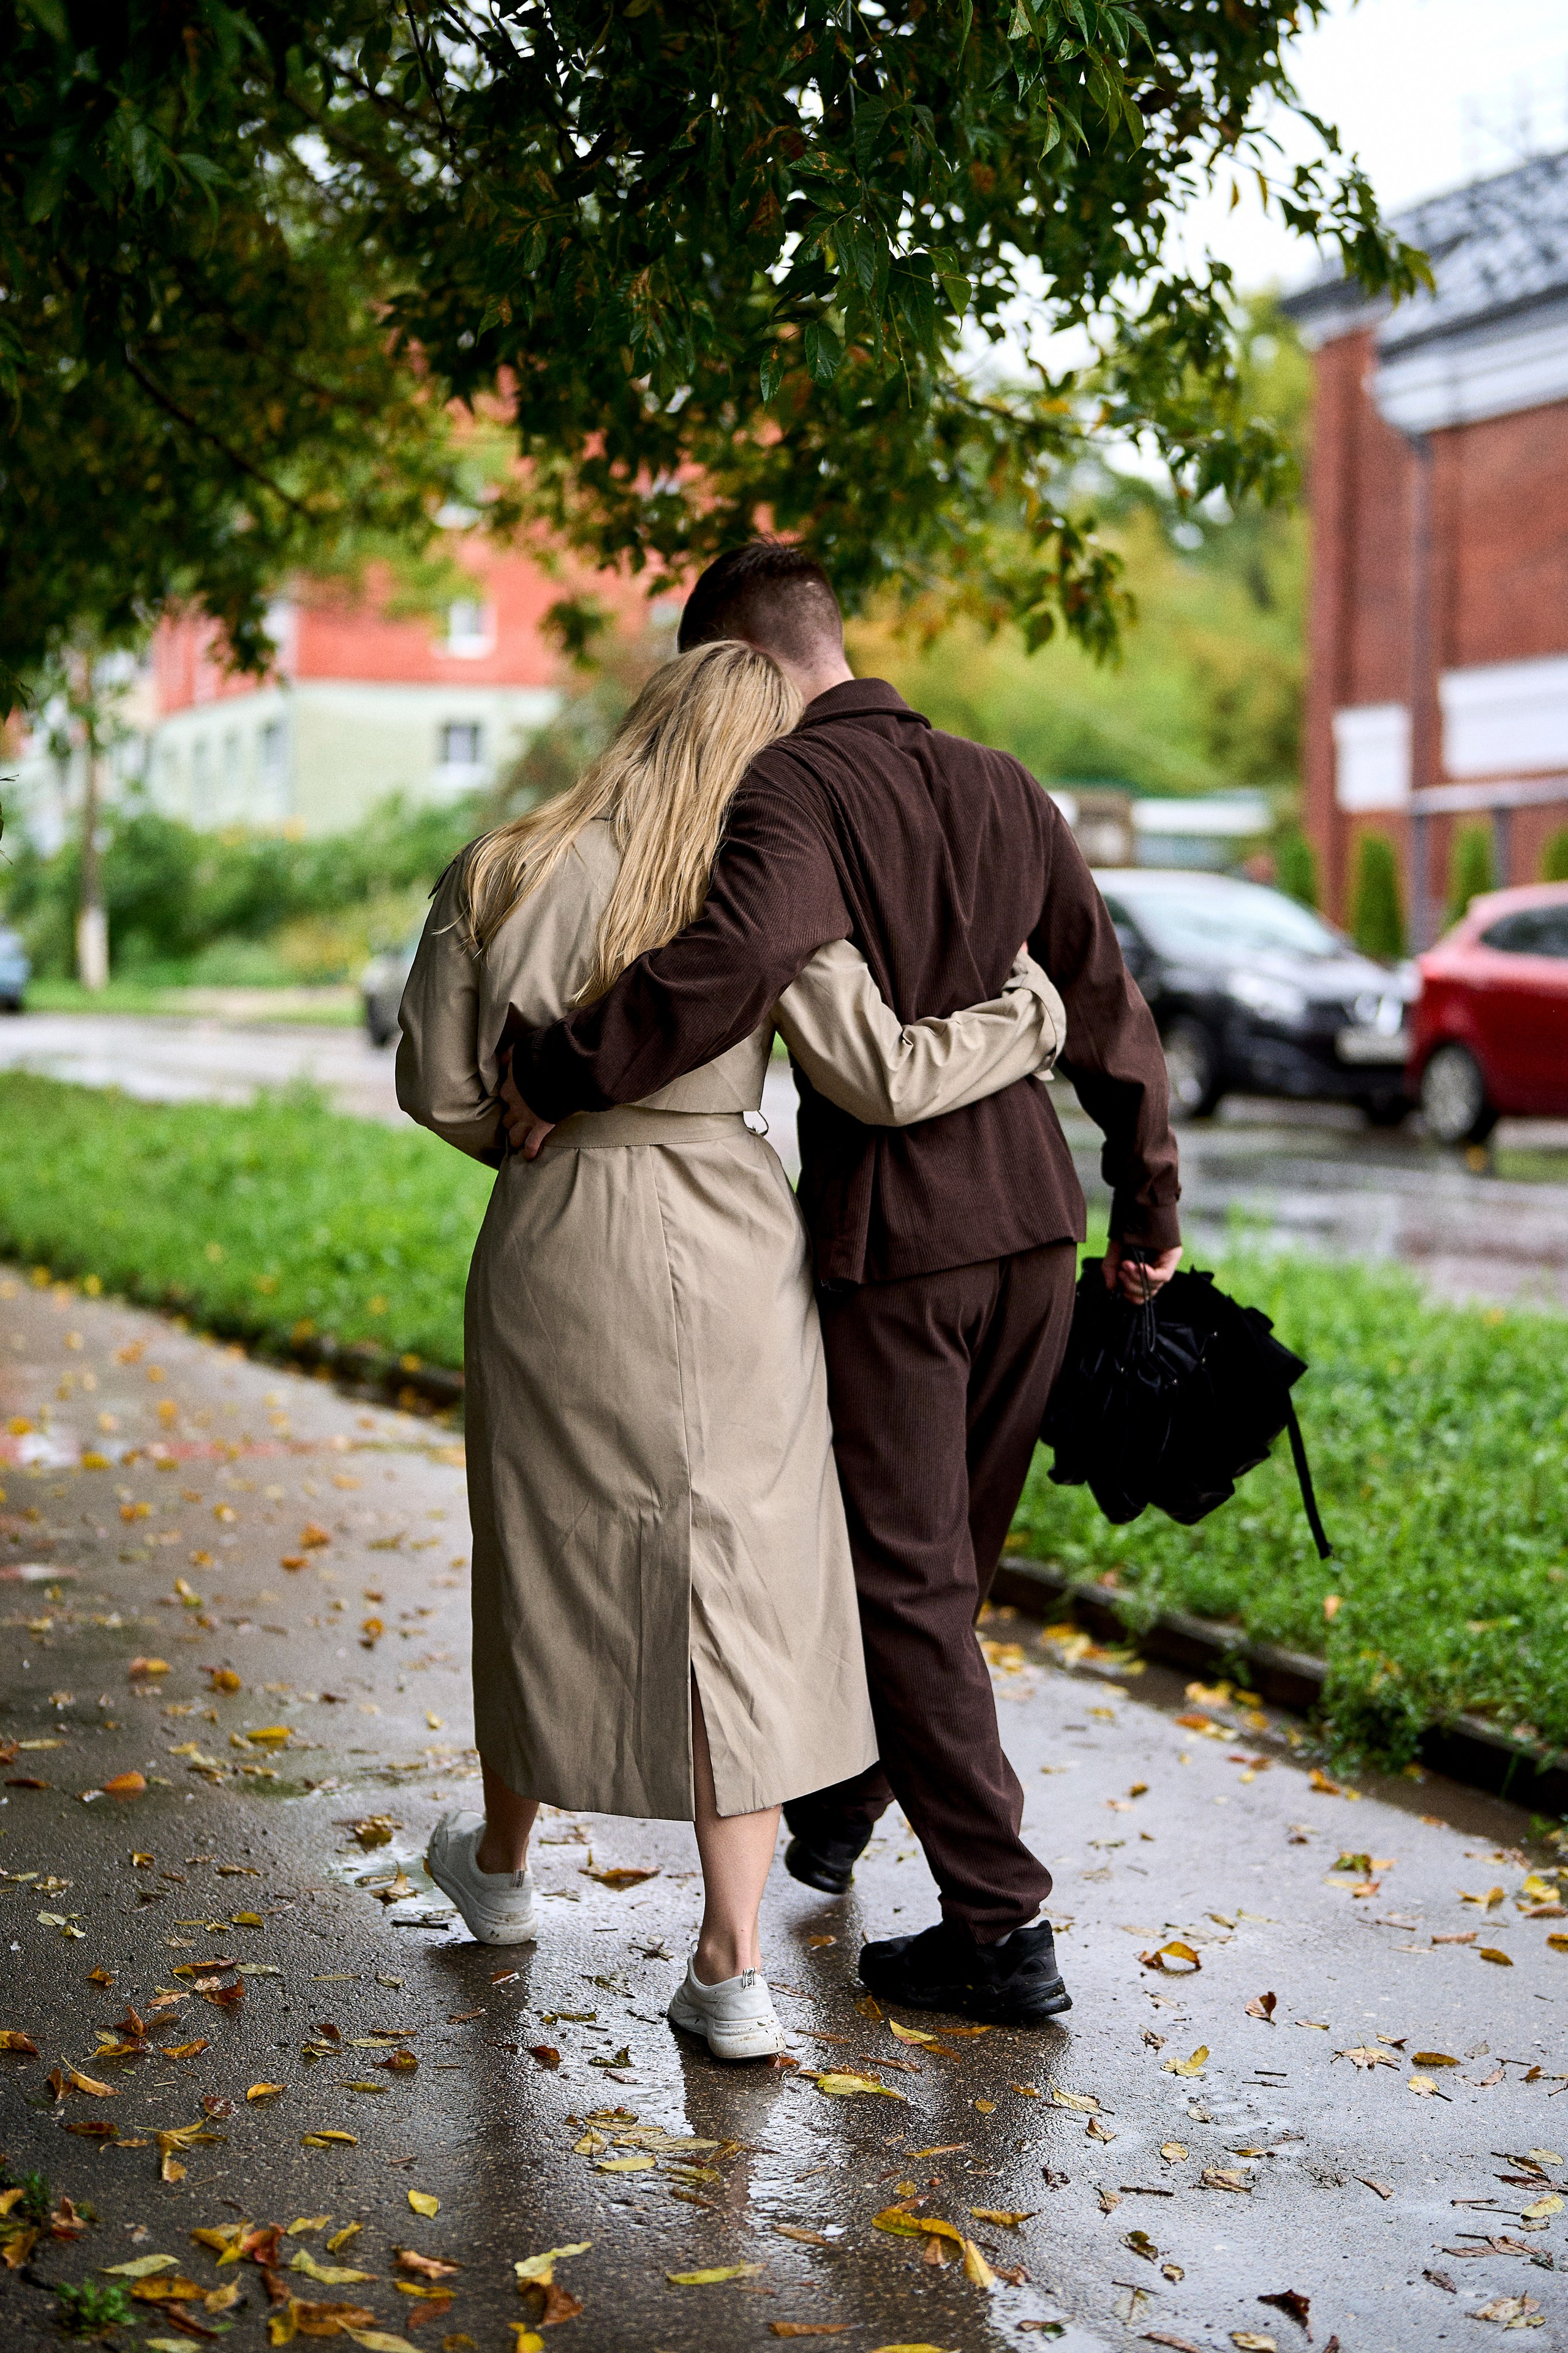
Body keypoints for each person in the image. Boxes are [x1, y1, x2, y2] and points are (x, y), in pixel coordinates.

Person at [500, 543, 1183, 2028]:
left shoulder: (789, 789)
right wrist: (1146, 1199)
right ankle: (841, 1809)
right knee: (947, 1566)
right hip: (1032, 1233)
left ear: (740, 665)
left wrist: (556, 1061)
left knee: (907, 1577)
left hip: (899, 1245)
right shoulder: (1006, 783)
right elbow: (1106, 999)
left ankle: (999, 1926)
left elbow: (732, 955)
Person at [394, 638, 1065, 2062]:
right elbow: (881, 1077)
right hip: (733, 1239)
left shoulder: (498, 862)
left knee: (548, 1550)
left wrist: (529, 1125)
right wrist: (1025, 1015)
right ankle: (729, 1967)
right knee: (740, 1578)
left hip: (555, 1231)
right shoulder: (765, 892)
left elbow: (437, 1085)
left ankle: (503, 1873)